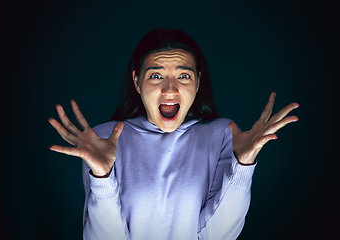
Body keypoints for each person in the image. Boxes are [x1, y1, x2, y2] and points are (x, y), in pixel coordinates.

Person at [48, 28, 299, 240]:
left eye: (183, 76)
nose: (170, 89)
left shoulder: (222, 134)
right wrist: (101, 177)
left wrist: (243, 166)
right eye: (156, 75)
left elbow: (218, 237)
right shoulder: (103, 140)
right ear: (137, 82)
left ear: (198, 82)